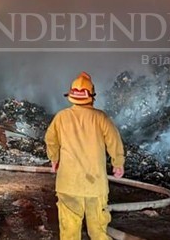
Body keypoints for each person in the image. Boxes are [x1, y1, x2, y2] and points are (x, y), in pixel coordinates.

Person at [45, 72, 125, 240]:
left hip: (68, 183)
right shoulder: (101, 118)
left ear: (71, 95)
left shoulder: (61, 117)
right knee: (98, 231)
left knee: (69, 231)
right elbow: (114, 141)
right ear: (91, 96)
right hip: (95, 186)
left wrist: (55, 160)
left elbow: (51, 141)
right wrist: (118, 163)